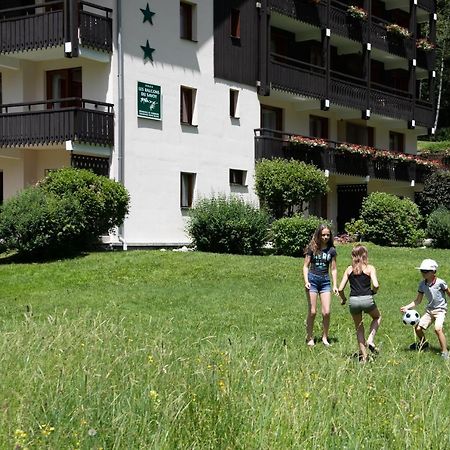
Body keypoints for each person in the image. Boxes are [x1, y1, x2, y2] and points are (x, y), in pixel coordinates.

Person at [338, 245, 381, 362]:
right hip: (367, 298)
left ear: (353, 256)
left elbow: (340, 289)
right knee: (377, 317)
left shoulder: (349, 269)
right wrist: (373, 292)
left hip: (354, 301)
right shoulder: (369, 268)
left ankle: (364, 357)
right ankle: (370, 339)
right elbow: (376, 285)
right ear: (365, 255)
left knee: (359, 327)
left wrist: (343, 299)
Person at [400, 258, 450, 360]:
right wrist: (407, 307)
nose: (423, 273)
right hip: (429, 310)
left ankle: (445, 352)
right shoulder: (422, 284)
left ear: (433, 272)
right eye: (422, 271)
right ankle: (423, 344)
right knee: (418, 328)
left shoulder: (440, 283)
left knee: (438, 329)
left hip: (440, 310)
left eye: (426, 271)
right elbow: (418, 300)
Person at [303, 224, 338, 347]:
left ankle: (324, 337)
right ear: (319, 235)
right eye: (323, 235)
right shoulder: (312, 248)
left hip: (325, 282)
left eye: (328, 235)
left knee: (326, 312)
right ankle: (309, 337)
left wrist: (335, 285)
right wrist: (306, 281)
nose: (325, 237)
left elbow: (333, 269)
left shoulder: (331, 250)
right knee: (312, 312)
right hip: (312, 281)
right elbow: (305, 266)